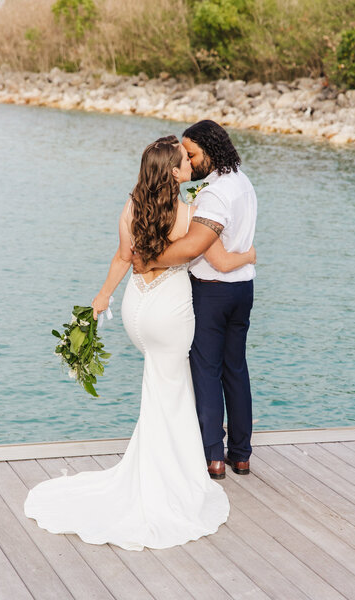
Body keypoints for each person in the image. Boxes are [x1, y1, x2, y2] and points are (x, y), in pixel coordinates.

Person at [24, 135, 255, 551]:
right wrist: (250, 255)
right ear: (173, 172)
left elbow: (122, 256)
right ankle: (170, 480)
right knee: (174, 390)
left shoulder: (131, 206)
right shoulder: (191, 212)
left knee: (159, 390)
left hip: (136, 309)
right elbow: (214, 259)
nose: (190, 163)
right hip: (168, 313)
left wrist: (101, 298)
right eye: (185, 159)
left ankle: (158, 464)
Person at [132, 121, 257, 480]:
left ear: (211, 151)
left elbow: (194, 249)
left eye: (192, 153)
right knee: (235, 369)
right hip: (242, 291)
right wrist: (248, 257)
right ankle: (242, 455)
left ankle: (213, 456)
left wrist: (151, 260)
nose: (188, 159)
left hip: (213, 292)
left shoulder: (214, 195)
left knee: (205, 371)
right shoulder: (243, 183)